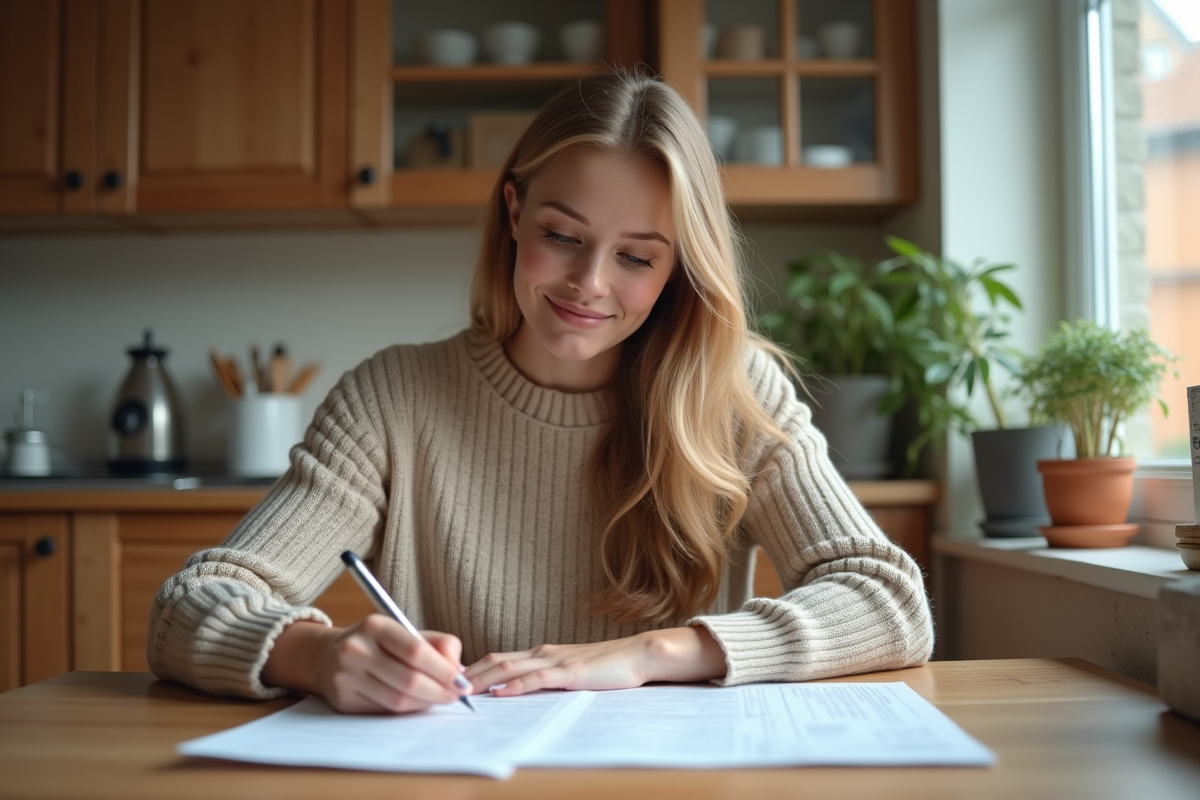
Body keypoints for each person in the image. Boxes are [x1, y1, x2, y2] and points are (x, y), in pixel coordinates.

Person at [148, 69, 933, 713]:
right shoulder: (392, 399)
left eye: (637, 257)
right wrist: (318, 657)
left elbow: (890, 602)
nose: (589, 285)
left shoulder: (734, 394)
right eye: (563, 236)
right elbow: (189, 606)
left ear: (678, 270)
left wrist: (654, 653)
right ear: (515, 212)